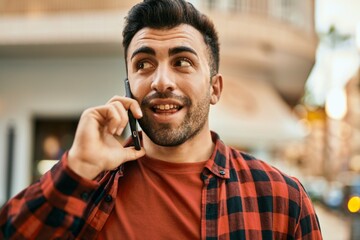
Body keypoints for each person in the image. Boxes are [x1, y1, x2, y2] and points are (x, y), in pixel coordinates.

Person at [0, 0, 322, 239]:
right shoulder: (89, 187)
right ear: (128, 85)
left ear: (214, 88)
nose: (161, 81)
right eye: (143, 64)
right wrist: (77, 167)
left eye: (182, 62)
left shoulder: (282, 200)